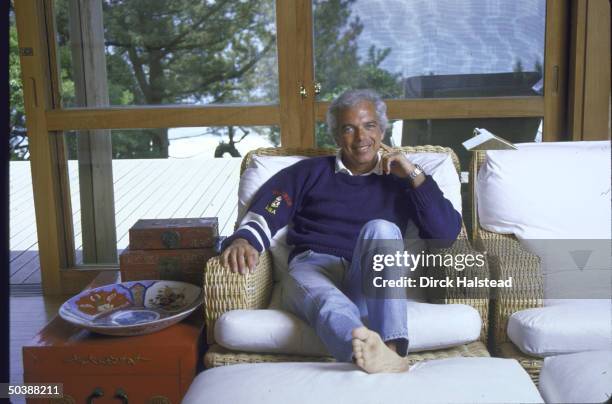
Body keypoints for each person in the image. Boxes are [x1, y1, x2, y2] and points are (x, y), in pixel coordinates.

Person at [221, 89, 461, 373]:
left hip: (369, 282)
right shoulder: (309, 172)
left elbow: (445, 233)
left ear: (382, 130)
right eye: (349, 129)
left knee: (382, 229)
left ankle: (392, 351)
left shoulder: (401, 179)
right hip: (313, 269)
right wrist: (244, 239)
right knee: (329, 302)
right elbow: (270, 209)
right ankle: (367, 353)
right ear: (336, 136)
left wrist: (413, 174)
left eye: (369, 126)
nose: (361, 138)